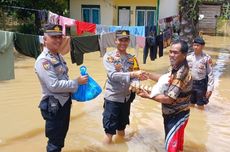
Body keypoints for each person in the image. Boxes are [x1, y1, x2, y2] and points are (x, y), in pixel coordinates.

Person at [35, 24, 88, 152]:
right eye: (54, 37)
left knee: (59, 139)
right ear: (45, 39)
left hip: (63, 103)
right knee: (54, 143)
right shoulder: (43, 61)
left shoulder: (58, 56)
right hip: (54, 106)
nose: (58, 40)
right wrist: (76, 82)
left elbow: (63, 79)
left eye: (59, 37)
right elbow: (54, 85)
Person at [138, 40, 193, 152]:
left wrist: (148, 95)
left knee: (171, 148)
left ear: (184, 54)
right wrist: (148, 75)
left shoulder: (181, 74)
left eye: (175, 53)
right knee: (177, 147)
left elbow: (169, 99)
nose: (171, 55)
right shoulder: (176, 66)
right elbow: (165, 79)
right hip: (177, 114)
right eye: (170, 52)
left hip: (177, 115)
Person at [102, 30, 146, 144]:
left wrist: (136, 82)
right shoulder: (109, 57)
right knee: (109, 131)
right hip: (113, 98)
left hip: (126, 98)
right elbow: (113, 75)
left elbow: (136, 74)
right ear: (116, 41)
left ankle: (121, 147)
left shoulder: (132, 59)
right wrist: (132, 75)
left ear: (129, 42)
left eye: (126, 40)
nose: (123, 42)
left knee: (122, 128)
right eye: (121, 40)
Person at [187, 37, 214, 110]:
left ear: (202, 46)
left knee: (200, 106)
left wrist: (210, 89)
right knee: (190, 104)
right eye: (194, 45)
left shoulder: (207, 58)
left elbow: (210, 74)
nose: (195, 47)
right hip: (190, 84)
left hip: (201, 85)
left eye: (197, 45)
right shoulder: (188, 57)